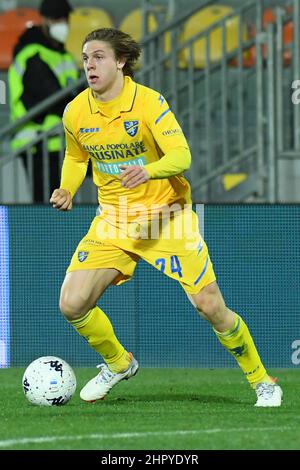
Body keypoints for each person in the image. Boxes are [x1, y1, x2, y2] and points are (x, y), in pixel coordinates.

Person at [50, 27, 282, 407]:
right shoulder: (76, 111)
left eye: (99, 57)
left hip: (166, 216)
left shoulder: (149, 103)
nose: (90, 65)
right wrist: (68, 188)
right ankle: (118, 362)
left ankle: (262, 381)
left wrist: (151, 170)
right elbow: (77, 157)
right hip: (115, 218)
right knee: (72, 303)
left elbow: (182, 156)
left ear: (121, 61)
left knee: (209, 305)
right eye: (86, 58)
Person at [8, 0, 79, 202]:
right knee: (47, 207)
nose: (63, 24)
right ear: (45, 20)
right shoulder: (32, 54)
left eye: (66, 18)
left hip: (60, 142)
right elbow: (52, 97)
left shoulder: (63, 54)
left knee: (64, 202)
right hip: (38, 144)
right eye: (58, 18)